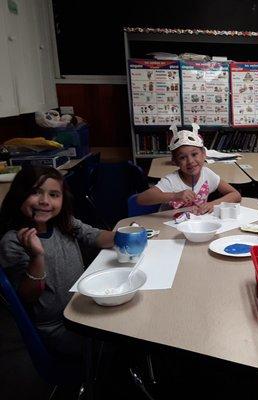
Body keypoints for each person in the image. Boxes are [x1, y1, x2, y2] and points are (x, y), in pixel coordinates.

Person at [0, 166, 115, 358]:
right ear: (19, 195)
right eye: (35, 192)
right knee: (125, 336)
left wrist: (125, 236)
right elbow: (28, 296)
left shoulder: (64, 223)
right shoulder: (13, 241)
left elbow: (94, 235)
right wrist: (37, 256)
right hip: (58, 327)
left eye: (54, 194)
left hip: (84, 306)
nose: (45, 201)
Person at [137, 123, 241, 214]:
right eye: (182, 157)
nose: (190, 161)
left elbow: (235, 194)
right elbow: (141, 199)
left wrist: (213, 204)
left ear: (204, 154)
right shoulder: (172, 180)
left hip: (196, 225)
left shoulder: (207, 174)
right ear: (175, 161)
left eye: (194, 154)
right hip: (170, 226)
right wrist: (175, 195)